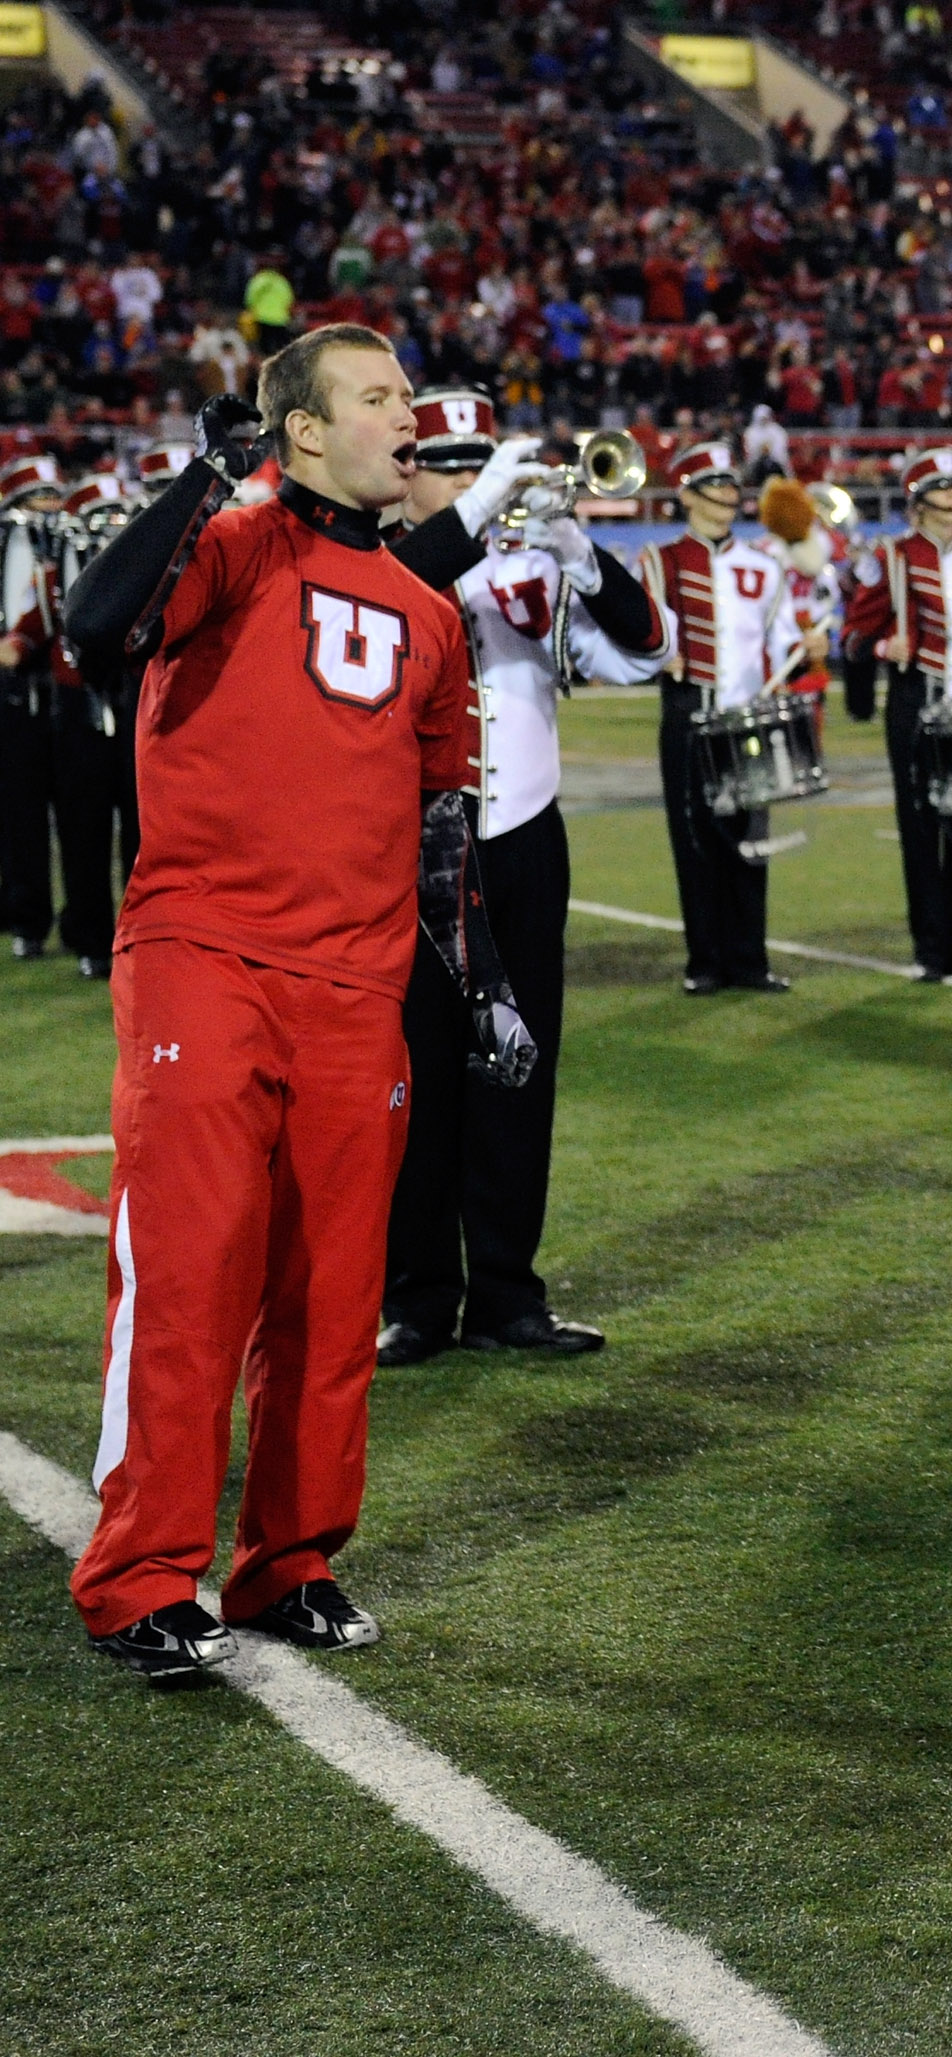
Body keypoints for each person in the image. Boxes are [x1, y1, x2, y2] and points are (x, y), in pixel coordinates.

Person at [60, 325, 535, 1681]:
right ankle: (140, 1575)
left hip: (359, 987)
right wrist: (207, 478)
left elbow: (443, 820)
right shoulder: (232, 537)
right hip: (205, 956)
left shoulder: (432, 610)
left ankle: (293, 1559)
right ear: (307, 429)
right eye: (380, 397)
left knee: (331, 1301)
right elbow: (97, 634)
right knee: (189, 1278)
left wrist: (481, 982)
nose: (410, 414)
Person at [377, 389, 667, 1369]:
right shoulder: (374, 558)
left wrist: (584, 555)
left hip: (525, 836)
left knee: (517, 1064)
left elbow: (648, 652)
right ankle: (416, 1295)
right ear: (406, 469)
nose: (473, 481)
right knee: (413, 1072)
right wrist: (471, 520)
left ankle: (506, 1289)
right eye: (451, 464)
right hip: (410, 847)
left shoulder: (533, 562)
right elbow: (389, 593)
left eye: (480, 463)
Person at [636, 444, 816, 995]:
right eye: (714, 484)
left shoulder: (764, 565)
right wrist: (658, 654)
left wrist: (806, 643)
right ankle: (705, 961)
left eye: (732, 484)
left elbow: (782, 637)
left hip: (747, 715)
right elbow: (641, 639)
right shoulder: (659, 561)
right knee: (694, 838)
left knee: (749, 839)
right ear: (688, 494)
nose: (729, 494)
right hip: (689, 710)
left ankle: (750, 960)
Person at [844, 446, 952, 980]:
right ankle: (930, 949)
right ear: (922, 501)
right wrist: (886, 647)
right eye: (945, 490)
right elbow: (855, 636)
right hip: (916, 699)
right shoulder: (893, 557)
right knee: (920, 825)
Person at [48, 471, 143, 979]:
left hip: (130, 699)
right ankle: (90, 936)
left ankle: (139, 939)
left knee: (140, 829)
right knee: (85, 825)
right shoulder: (65, 549)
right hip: (83, 698)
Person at [0, 452, 61, 960]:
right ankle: (27, 919)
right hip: (20, 694)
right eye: (39, 498)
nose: (49, 508)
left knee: (79, 816)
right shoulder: (10, 546)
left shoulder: (69, 543)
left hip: (68, 693)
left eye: (55, 497)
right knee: (21, 813)